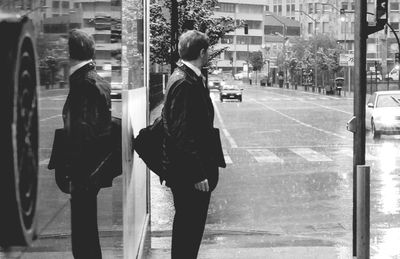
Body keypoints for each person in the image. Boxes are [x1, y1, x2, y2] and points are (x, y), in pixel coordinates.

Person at [161, 30, 223, 258]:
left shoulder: (186, 77)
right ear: (202, 52)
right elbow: (181, 132)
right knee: (189, 229)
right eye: (208, 52)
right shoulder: (185, 82)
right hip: (189, 174)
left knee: (188, 229)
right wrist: (197, 173)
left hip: (186, 170)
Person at [63, 29, 112, 259]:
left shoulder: (84, 83)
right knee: (86, 233)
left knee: (83, 238)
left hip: (83, 172)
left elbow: (84, 133)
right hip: (89, 171)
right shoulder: (93, 79)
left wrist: (75, 174)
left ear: (69, 53)